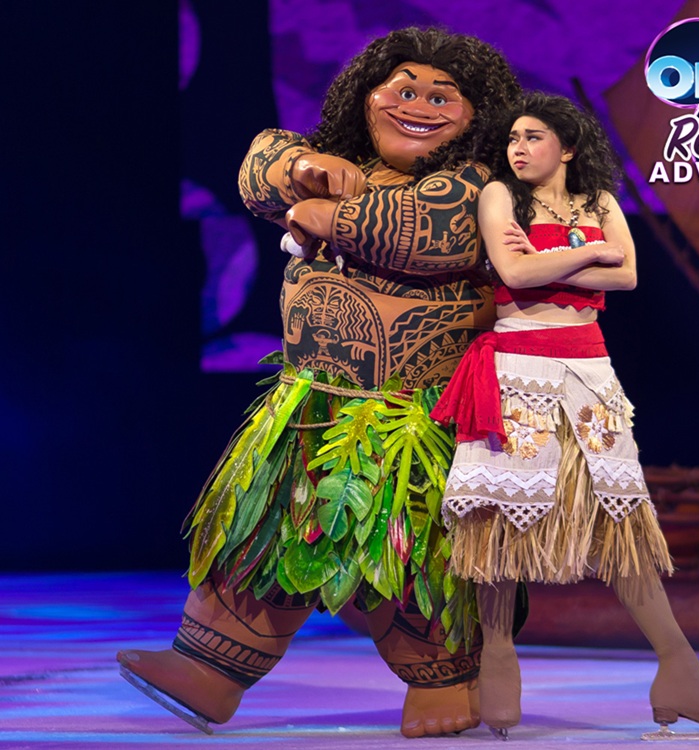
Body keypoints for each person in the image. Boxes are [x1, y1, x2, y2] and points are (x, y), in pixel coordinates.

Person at [117, 27, 521, 738]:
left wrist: (326, 214)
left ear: (476, 117)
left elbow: (430, 231)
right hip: (309, 405)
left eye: (441, 98)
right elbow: (260, 164)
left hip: (412, 416)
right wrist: (304, 167)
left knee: (411, 553)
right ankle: (209, 670)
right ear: (365, 95)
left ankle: (447, 680)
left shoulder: (474, 185)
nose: (418, 105)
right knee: (266, 539)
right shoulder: (342, 163)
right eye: (403, 89)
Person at [431, 92, 699, 741]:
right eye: (513, 138)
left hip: (590, 375)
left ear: (569, 147)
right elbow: (514, 270)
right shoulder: (500, 196)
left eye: (533, 137)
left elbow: (628, 276)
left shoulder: (601, 201)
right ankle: (498, 654)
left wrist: (558, 261)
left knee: (621, 518)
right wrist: (588, 254)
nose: (518, 148)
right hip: (519, 371)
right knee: (499, 518)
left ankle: (679, 668)